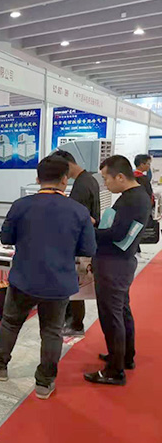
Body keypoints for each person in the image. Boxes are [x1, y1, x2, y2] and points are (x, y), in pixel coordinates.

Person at [0, 156, 96, 400]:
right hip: (58, 282)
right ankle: (44, 383)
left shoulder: (21, 205)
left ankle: (0, 366)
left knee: (10, 323)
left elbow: (6, 238)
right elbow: (88, 249)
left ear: (38, 179)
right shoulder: (78, 211)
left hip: (23, 278)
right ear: (65, 180)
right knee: (51, 331)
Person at [84, 156, 152, 386]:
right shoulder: (135, 196)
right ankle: (124, 357)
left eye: (106, 179)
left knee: (111, 316)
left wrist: (88, 231)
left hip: (114, 263)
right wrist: (97, 225)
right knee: (121, 311)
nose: (105, 184)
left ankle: (114, 371)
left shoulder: (133, 199)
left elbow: (117, 234)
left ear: (120, 177)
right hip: (119, 261)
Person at [56, 150, 101, 337]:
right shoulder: (89, 179)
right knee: (76, 286)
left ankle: (75, 324)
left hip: (78, 244)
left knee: (76, 288)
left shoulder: (82, 185)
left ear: (68, 165)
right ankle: (72, 321)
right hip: (84, 239)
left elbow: (75, 217)